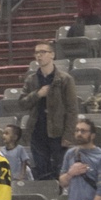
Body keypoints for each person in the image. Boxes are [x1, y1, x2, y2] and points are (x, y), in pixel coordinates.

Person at [20, 43, 79, 181]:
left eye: (42, 52)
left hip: (58, 133)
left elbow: (72, 109)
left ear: (52, 54)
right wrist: (38, 94)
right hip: (37, 132)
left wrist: (68, 135)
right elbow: (22, 103)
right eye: (36, 53)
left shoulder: (65, 79)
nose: (39, 55)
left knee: (61, 170)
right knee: (41, 171)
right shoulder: (31, 79)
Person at [58, 117, 101, 200]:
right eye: (77, 130)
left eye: (83, 131)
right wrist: (70, 174)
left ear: (92, 135)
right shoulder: (70, 154)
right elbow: (62, 182)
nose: (79, 134)